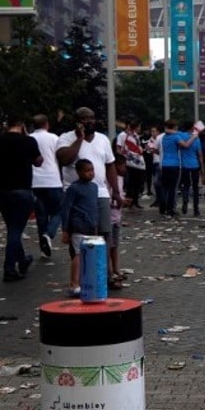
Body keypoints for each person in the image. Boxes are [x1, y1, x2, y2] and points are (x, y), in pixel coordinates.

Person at [0, 116, 42, 282]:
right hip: (22, 190)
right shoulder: (28, 141)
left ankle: (22, 260)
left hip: (2, 192)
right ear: (22, 126)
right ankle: (9, 268)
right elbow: (39, 162)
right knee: (16, 230)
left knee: (12, 228)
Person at [56, 107, 120, 241]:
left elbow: (110, 165)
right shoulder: (65, 138)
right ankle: (80, 261)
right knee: (79, 236)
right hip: (77, 195)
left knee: (105, 234)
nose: (89, 121)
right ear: (76, 122)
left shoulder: (103, 139)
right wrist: (80, 139)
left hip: (101, 193)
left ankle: (102, 262)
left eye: (92, 118)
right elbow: (65, 159)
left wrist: (116, 191)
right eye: (84, 119)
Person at [60, 159, 101, 298]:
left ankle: (86, 282)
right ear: (78, 172)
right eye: (87, 171)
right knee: (78, 254)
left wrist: (96, 225)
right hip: (78, 226)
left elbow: (94, 208)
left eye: (92, 170)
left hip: (91, 226)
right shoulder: (74, 188)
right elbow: (66, 209)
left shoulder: (94, 187)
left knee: (88, 255)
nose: (90, 173)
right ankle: (74, 283)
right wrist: (65, 230)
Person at [30, 114, 63, 259]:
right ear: (46, 124)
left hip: (35, 181)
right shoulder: (54, 138)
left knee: (41, 215)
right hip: (53, 180)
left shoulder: (29, 139)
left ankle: (44, 248)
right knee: (58, 211)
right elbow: (60, 158)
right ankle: (48, 234)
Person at [108, 154, 130, 288]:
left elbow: (119, 194)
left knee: (115, 245)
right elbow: (110, 197)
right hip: (109, 217)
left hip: (117, 217)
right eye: (123, 166)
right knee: (109, 245)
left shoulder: (120, 179)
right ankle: (110, 272)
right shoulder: (109, 180)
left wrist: (123, 201)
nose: (125, 168)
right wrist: (119, 202)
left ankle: (116, 269)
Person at [174, 121, 203, 216]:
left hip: (184, 166)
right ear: (191, 128)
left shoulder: (180, 136)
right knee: (195, 188)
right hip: (195, 165)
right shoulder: (196, 139)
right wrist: (202, 169)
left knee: (185, 186)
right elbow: (199, 155)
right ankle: (196, 209)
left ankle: (185, 201)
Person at [115, 120, 146, 208]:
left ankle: (135, 201)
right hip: (128, 162)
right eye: (139, 127)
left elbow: (138, 147)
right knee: (130, 183)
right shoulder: (122, 135)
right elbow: (119, 148)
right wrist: (125, 157)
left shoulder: (136, 136)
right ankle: (129, 201)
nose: (140, 129)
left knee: (137, 182)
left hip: (137, 162)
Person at [158, 120, 181, 217]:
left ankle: (162, 207)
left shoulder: (162, 137)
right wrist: (193, 137)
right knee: (172, 188)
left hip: (164, 164)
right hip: (175, 164)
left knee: (164, 187)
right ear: (174, 127)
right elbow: (185, 145)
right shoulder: (176, 137)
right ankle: (170, 208)